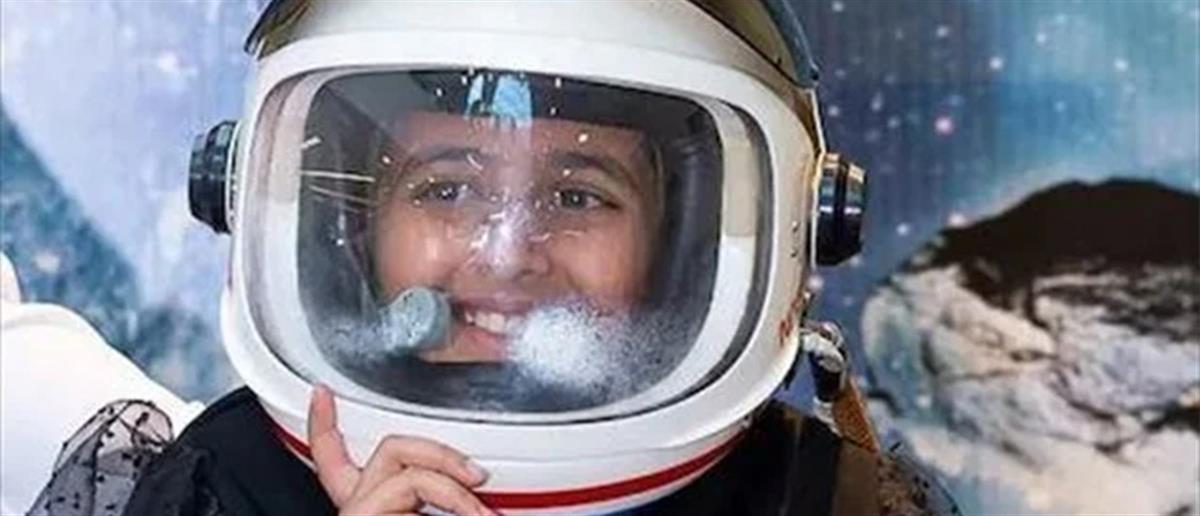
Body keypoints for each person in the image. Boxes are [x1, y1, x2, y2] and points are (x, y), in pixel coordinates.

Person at [22, 0, 958, 514]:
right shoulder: (217, 491)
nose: (508, 255)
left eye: (578, 195)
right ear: (354, 229)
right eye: (446, 189)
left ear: (685, 245)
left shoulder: (822, 505)